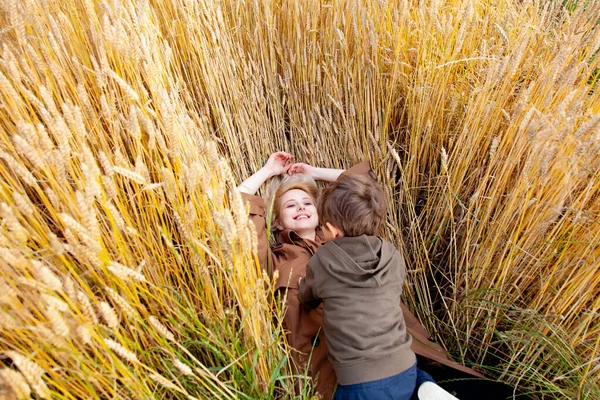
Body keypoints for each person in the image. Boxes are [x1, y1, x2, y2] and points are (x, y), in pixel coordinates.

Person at [237, 152, 483, 399]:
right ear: (278, 223)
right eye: (291, 205)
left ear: (323, 217)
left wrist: (313, 172)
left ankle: (425, 386)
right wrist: (268, 171)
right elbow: (238, 209)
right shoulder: (275, 261)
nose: (301, 206)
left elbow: (365, 192)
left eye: (307, 202)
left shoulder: (352, 237)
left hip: (393, 353)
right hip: (330, 370)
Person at [297, 173, 424, 399]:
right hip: (406, 366)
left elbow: (307, 298)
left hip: (361, 383)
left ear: (332, 231)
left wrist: (302, 286)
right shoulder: (393, 256)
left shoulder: (323, 260)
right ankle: (427, 387)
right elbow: (365, 189)